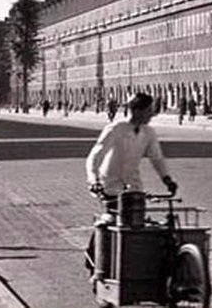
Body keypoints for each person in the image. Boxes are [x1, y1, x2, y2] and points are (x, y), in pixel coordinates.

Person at [85, 92, 177, 282]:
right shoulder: (116, 128)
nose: (151, 115)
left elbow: (156, 157)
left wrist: (167, 179)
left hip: (133, 183)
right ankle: (96, 261)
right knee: (111, 221)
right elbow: (95, 155)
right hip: (110, 181)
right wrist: (93, 180)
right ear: (136, 110)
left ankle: (131, 268)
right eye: (149, 110)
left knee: (136, 225)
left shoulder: (148, 132)